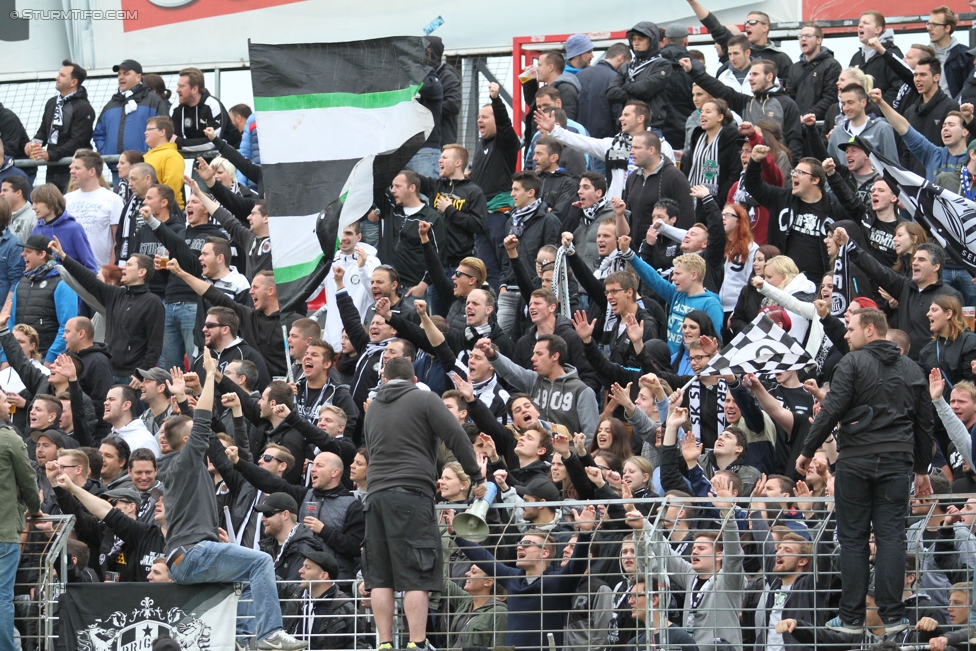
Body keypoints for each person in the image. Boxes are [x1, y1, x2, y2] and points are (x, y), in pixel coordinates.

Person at [797, 308, 933, 634]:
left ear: (870, 330)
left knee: (854, 540)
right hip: (897, 463)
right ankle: (894, 617)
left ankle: (851, 619)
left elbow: (831, 408)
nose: (846, 335)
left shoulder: (852, 363)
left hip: (855, 461)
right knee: (891, 539)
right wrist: (921, 468)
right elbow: (924, 424)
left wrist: (806, 450)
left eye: (850, 328)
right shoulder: (914, 369)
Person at [163, 348, 308, 650]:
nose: (206, 439)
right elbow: (203, 422)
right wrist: (209, 376)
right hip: (191, 554)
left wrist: (180, 400)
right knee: (261, 562)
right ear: (189, 442)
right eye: (198, 436)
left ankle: (243, 641)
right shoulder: (187, 460)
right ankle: (269, 634)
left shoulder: (186, 466)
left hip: (186, 553)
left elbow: (206, 432)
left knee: (244, 576)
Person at [362, 356, 485, 651]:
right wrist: (476, 475)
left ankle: (385, 644)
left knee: (380, 575)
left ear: (385, 379)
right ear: (415, 379)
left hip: (375, 494)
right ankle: (417, 643)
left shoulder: (373, 407)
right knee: (417, 573)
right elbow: (456, 435)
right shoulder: (425, 398)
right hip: (411, 492)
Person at [50, 236, 164, 383]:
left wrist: (141, 374)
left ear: (141, 272)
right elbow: (88, 279)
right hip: (107, 371)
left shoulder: (153, 303)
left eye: (129, 265)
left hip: (131, 378)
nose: (124, 267)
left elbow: (155, 346)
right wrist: (63, 256)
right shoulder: (115, 295)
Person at [682, 57, 803, 164]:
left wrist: (792, 167)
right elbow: (719, 89)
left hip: (778, 166)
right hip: (751, 166)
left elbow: (795, 140)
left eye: (755, 74)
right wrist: (693, 71)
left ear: (769, 76)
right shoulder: (746, 103)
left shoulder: (787, 104)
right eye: (750, 74)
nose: (750, 78)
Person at [477, 334, 599, 440]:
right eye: (533, 353)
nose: (532, 358)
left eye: (539, 354)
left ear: (555, 356)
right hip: (534, 454)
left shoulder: (582, 391)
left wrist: (575, 459)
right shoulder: (534, 380)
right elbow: (510, 371)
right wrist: (491, 354)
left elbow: (590, 435)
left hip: (564, 460)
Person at [0, 419, 39, 651]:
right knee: (2, 596)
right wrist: (34, 508)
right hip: (3, 532)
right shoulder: (9, 439)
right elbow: (28, 481)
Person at [10, 234, 78, 363]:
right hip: (20, 360)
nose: (22, 255)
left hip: (48, 361)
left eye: (28, 251)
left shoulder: (62, 283)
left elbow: (67, 326)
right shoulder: (22, 283)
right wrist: (6, 357)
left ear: (42, 254)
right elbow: (10, 321)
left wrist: (50, 359)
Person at [29, 59, 95, 191]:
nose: (56, 77)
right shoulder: (52, 103)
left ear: (73, 82)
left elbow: (79, 141)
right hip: (52, 169)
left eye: (62, 75)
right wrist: (33, 144)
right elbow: (44, 131)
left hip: (72, 170)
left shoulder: (83, 107)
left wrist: (51, 155)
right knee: (53, 208)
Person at [92, 59, 170, 159]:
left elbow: (164, 132)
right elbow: (99, 134)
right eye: (119, 74)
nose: (121, 77)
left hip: (146, 166)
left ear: (138, 77)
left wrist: (150, 155)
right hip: (117, 167)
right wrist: (106, 152)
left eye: (126, 73)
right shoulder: (111, 104)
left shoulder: (154, 101)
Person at [606, 22, 672, 137]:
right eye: (633, 39)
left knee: (648, 155)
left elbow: (645, 89)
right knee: (616, 155)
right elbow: (611, 93)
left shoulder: (662, 65)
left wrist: (625, 86)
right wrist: (635, 91)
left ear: (651, 41)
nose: (636, 43)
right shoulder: (627, 67)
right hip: (625, 129)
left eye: (640, 39)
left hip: (650, 128)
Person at [65, 150, 124, 269]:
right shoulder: (66, 199)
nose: (72, 171)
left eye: (77, 168)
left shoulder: (113, 200)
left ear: (92, 171)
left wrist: (109, 271)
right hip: (68, 270)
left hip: (98, 272)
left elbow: (118, 241)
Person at [290, 550, 357, 649]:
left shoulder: (347, 609)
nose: (300, 570)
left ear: (323, 575)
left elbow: (358, 646)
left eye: (307, 567)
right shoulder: (293, 594)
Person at [30, 184, 98, 273]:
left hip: (70, 284)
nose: (33, 207)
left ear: (51, 202)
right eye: (33, 203)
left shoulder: (73, 228)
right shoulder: (36, 230)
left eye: (37, 202)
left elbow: (90, 266)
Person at [171, 67, 239, 152]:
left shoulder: (212, 105)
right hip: (201, 157)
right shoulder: (177, 108)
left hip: (228, 157)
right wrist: (177, 142)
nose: (177, 90)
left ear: (195, 89)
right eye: (178, 86)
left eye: (181, 86)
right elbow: (172, 141)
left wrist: (179, 142)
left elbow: (214, 143)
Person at [576, 43, 632, 140]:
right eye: (627, 64)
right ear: (620, 58)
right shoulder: (616, 80)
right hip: (605, 140)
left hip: (580, 138)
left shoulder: (579, 76)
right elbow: (617, 112)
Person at [786, 24, 842, 119]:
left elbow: (830, 98)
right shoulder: (794, 68)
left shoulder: (832, 65)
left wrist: (806, 116)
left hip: (819, 125)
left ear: (819, 40)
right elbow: (789, 97)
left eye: (808, 36)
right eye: (800, 36)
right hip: (797, 125)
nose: (803, 39)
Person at [851, 12, 905, 104]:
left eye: (866, 23)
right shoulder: (856, 57)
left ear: (878, 30)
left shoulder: (891, 54)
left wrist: (879, 107)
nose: (860, 25)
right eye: (859, 23)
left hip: (884, 115)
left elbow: (899, 87)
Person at [926, 6, 972, 98]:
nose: (928, 28)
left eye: (934, 24)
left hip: (955, 110)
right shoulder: (924, 55)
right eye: (928, 23)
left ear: (947, 28)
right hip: (927, 110)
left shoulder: (965, 55)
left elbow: (969, 89)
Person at [142, 116, 186, 210]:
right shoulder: (146, 156)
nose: (145, 133)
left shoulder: (172, 156)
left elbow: (171, 187)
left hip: (168, 211)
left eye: (149, 129)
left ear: (162, 132)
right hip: (148, 209)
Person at [1, 175, 38, 244]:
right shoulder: (1, 214)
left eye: (5, 190)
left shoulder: (35, 216)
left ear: (18, 193)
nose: (1, 194)